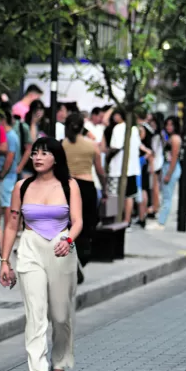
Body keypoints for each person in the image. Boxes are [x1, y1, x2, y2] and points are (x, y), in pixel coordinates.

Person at [0, 137, 82, 371]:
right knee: (35, 314)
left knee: (60, 314)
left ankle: (58, 363)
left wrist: (68, 240)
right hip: (30, 248)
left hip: (61, 248)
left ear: (55, 158)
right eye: (34, 153)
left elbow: (78, 221)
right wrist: (4, 260)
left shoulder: (69, 186)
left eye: (44, 153)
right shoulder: (22, 187)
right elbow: (12, 225)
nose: (37, 157)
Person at [62, 113, 102, 267]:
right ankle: (82, 254)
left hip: (68, 186)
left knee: (68, 223)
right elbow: (100, 170)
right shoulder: (91, 145)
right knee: (85, 222)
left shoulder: (62, 145)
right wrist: (104, 187)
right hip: (87, 186)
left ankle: (69, 255)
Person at [149, 116, 184, 230]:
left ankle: (161, 222)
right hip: (167, 166)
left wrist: (169, 174)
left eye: (171, 125)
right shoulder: (169, 137)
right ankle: (161, 221)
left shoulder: (175, 139)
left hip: (171, 167)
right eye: (167, 124)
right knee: (165, 195)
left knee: (167, 197)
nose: (169, 127)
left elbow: (174, 157)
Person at [0, 108, 22, 228]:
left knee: (6, 203)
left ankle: (8, 229)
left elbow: (10, 156)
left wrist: (2, 174)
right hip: (7, 174)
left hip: (8, 175)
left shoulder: (11, 136)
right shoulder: (8, 135)